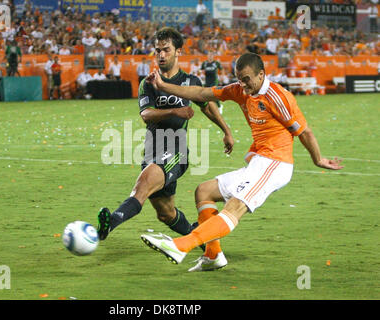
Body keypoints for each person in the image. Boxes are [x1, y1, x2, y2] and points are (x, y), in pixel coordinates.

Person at [141, 52, 343, 271]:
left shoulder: (277, 96)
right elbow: (200, 92)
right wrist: (163, 85)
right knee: (204, 191)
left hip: (276, 163)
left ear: (261, 75)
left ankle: (180, 246)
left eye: (246, 78)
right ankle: (213, 255)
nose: (242, 83)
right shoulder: (240, 90)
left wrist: (318, 159)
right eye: (239, 78)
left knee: (235, 206)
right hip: (260, 161)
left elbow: (304, 132)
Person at [96, 27, 233, 242]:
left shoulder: (190, 82)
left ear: (178, 51)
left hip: (176, 151)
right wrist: (174, 111)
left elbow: (207, 106)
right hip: (152, 151)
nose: (161, 55)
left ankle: (108, 225)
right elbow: (146, 115)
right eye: (157, 50)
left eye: (166, 50)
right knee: (166, 213)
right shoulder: (149, 83)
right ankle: (202, 241)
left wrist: (226, 131)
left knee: (141, 187)